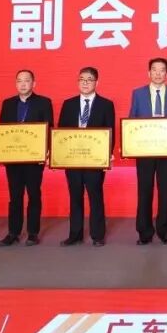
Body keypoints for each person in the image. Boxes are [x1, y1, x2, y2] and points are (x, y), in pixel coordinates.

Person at [57, 67, 115, 246]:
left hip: (94, 160)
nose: (85, 82)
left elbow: (110, 132)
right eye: (82, 79)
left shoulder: (106, 104)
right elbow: (60, 133)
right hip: (72, 159)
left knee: (95, 196)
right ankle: (75, 234)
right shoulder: (69, 104)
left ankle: (97, 235)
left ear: (97, 82)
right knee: (75, 196)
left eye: (89, 79)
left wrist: (106, 156)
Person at [128, 57, 167, 245]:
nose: (158, 73)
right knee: (144, 190)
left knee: (165, 191)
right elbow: (132, 118)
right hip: (144, 150)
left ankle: (165, 232)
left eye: (162, 70)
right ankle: (144, 233)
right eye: (154, 70)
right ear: (149, 73)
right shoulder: (138, 93)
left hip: (166, 149)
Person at [0, 69, 54, 247]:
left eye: (27, 80)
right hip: (13, 157)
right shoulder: (8, 103)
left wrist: (47, 151)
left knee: (34, 194)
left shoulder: (44, 102)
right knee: (15, 196)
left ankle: (32, 233)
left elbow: (49, 128)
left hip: (34, 158)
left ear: (33, 83)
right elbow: (1, 130)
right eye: (19, 81)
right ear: (16, 84)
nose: (23, 84)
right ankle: (13, 232)